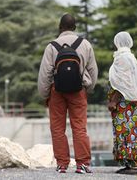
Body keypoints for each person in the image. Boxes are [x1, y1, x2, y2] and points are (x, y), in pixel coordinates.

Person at [38, 13, 98, 174]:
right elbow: (93, 70)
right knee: (79, 127)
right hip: (79, 90)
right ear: (75, 28)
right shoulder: (85, 45)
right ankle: (83, 164)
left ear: (60, 27)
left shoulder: (51, 46)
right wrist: (89, 89)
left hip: (56, 91)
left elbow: (45, 74)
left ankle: (62, 164)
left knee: (57, 128)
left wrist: (45, 95)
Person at [107, 31, 137, 175]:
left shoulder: (122, 59)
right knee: (134, 131)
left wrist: (113, 100)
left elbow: (122, 83)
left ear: (117, 42)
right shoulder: (132, 58)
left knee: (125, 131)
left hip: (124, 102)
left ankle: (132, 165)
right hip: (134, 102)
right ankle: (132, 164)